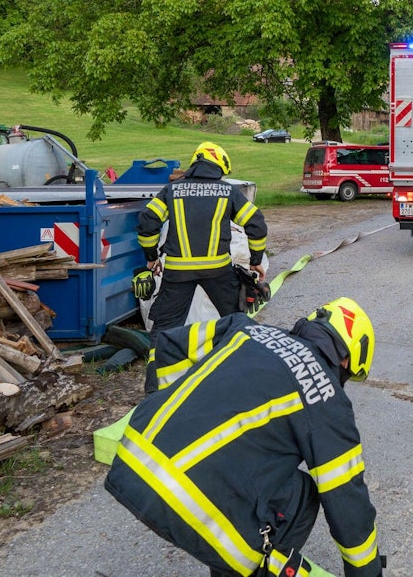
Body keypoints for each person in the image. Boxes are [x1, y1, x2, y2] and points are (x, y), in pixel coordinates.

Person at [105, 298, 384, 577]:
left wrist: (168, 419)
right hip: (187, 498)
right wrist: (367, 570)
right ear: (346, 359)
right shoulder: (326, 397)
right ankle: (255, 564)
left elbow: (169, 345)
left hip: (132, 459)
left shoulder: (244, 329)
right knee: (303, 495)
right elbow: (345, 496)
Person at [136, 141, 268, 391]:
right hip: (218, 272)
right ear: (220, 166)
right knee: (236, 321)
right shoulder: (227, 192)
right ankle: (246, 381)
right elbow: (256, 223)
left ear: (196, 163)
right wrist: (255, 261)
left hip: (177, 273)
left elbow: (148, 221)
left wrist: (151, 255)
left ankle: (155, 391)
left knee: (164, 331)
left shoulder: (172, 190)